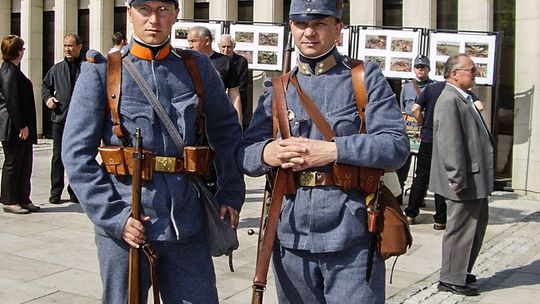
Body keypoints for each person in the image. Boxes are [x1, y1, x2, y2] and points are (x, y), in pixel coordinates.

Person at [61, 0, 245, 303]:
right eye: (144, 9)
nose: (153, 19)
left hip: (187, 223)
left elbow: (227, 134)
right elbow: (76, 154)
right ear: (130, 13)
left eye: (162, 9)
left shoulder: (198, 68)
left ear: (175, 14)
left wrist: (230, 193)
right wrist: (114, 218)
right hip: (128, 224)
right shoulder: (103, 72)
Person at [240, 0, 409, 302]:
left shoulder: (364, 78)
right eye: (301, 24)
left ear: (338, 29)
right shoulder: (279, 88)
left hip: (352, 234)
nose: (309, 33)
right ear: (291, 28)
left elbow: (395, 146)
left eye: (319, 24)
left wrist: (333, 151)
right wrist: (269, 153)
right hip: (290, 235)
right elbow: (246, 154)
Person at [431, 54, 493, 296]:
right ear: (454, 73)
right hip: (464, 180)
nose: (475, 74)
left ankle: (460, 270)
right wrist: (456, 177)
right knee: (461, 230)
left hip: (474, 178)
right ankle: (451, 278)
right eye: (472, 70)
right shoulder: (449, 99)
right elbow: (449, 143)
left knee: (475, 228)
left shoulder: (463, 97)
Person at [406, 79, 483, 230]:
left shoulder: (431, 89)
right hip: (448, 140)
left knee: (421, 176)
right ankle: (440, 220)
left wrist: (422, 122)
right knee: (442, 178)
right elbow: (480, 106)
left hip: (428, 138)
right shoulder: (460, 92)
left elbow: (415, 109)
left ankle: (411, 214)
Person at [42, 33, 83, 205]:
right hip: (59, 118)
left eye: (71, 45)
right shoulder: (57, 69)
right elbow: (45, 86)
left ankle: (75, 192)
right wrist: (48, 99)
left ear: (79, 47)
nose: (67, 49)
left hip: (80, 121)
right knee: (57, 157)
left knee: (77, 157)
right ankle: (55, 191)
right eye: (65, 45)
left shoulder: (86, 68)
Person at [0, 35, 39, 214]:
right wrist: (22, 125)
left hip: (19, 126)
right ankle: (9, 199)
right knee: (13, 163)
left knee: (25, 163)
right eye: (22, 49)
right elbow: (12, 101)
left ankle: (23, 197)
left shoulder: (14, 70)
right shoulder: (8, 72)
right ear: (17, 52)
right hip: (13, 127)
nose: (24, 52)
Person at [396, 55, 435, 206]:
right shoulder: (406, 87)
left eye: (423, 67)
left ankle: (419, 197)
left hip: (424, 130)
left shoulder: (433, 87)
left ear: (428, 69)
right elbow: (402, 107)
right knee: (403, 164)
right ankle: (398, 194)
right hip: (408, 130)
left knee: (422, 168)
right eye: (418, 67)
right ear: (414, 69)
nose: (420, 70)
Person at [187, 26, 242, 122]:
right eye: (189, 41)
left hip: (217, 119)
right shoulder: (186, 62)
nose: (190, 45)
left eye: (193, 41)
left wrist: (238, 125)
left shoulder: (225, 62)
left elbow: (234, 95)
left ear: (207, 41)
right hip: (191, 119)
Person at [218, 34, 249, 122]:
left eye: (229, 47)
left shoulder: (241, 61)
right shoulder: (216, 60)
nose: (226, 50)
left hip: (236, 99)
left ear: (233, 47)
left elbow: (242, 85)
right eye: (223, 47)